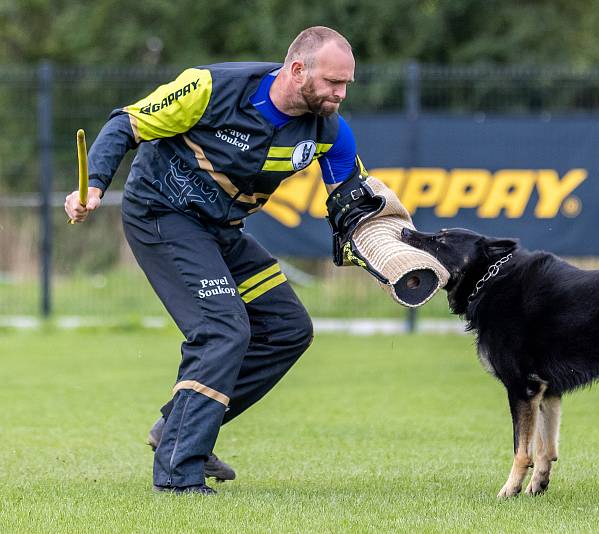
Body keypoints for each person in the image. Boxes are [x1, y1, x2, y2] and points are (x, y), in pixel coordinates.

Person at [65, 26, 370, 495]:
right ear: (297, 70)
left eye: (346, 84)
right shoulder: (211, 88)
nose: (340, 94)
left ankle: (182, 428)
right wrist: (94, 185)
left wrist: (383, 241)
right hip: (161, 215)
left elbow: (352, 196)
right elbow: (125, 123)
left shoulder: (330, 130)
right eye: (333, 82)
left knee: (288, 328)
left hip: (222, 232)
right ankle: (178, 475)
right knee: (223, 329)